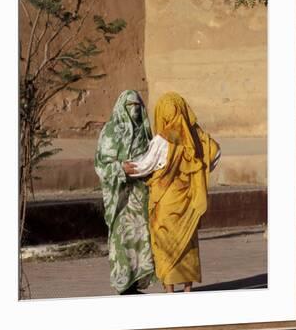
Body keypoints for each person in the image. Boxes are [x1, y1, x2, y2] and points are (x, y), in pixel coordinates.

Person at [126, 92, 221, 293]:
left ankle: (169, 290)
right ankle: (187, 288)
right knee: (187, 242)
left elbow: (145, 166)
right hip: (189, 200)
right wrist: (203, 170)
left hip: (166, 201)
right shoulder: (198, 136)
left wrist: (124, 167)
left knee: (164, 243)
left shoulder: (163, 139)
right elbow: (215, 152)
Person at [94, 90, 156, 295]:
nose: (135, 110)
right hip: (120, 198)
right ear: (122, 107)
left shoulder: (144, 131)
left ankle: (136, 283)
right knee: (122, 239)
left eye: (138, 106)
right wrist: (121, 169)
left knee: (141, 238)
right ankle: (124, 285)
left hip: (140, 195)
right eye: (131, 106)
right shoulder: (110, 132)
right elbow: (101, 165)